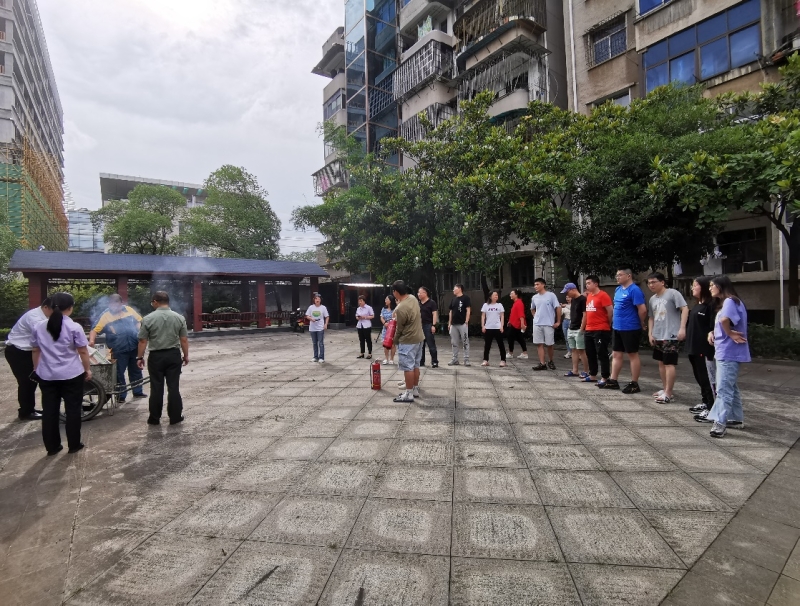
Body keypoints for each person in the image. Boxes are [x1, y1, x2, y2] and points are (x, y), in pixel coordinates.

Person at [30, 292, 92, 455]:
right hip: (72, 375)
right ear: (70, 308)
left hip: (47, 375)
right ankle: (74, 445)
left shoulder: (38, 326)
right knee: (73, 410)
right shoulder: (74, 327)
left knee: (49, 411)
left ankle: (52, 447)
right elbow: (83, 352)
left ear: (50, 307)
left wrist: (36, 369)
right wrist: (87, 369)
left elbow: (35, 350)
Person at [696, 275, 751, 438]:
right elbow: (724, 322)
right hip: (726, 351)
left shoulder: (730, 301)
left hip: (729, 352)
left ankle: (720, 423)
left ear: (720, 286)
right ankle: (735, 418)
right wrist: (713, 333)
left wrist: (729, 333)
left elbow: (725, 320)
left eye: (712, 285)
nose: (710, 288)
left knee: (723, 389)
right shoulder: (729, 302)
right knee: (730, 386)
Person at [136, 291, 189, 425]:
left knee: (156, 387)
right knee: (173, 387)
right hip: (173, 355)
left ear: (155, 302)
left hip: (156, 357)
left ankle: (154, 418)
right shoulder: (179, 318)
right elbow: (183, 339)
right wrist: (186, 355)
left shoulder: (147, 319)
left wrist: (139, 357)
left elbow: (142, 341)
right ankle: (175, 417)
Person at [89, 294, 146, 403]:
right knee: (119, 373)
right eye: (112, 305)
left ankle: (138, 391)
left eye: (116, 305)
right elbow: (94, 330)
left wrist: (138, 330)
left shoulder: (129, 310)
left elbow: (140, 321)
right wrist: (91, 341)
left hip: (134, 346)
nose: (114, 307)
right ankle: (121, 396)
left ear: (121, 303)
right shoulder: (105, 315)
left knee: (136, 370)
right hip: (118, 349)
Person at [4, 298, 52, 420]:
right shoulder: (35, 318)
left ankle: (30, 409)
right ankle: (25, 412)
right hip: (18, 352)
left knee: (32, 382)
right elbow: (44, 339)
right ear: (46, 307)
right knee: (26, 382)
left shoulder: (42, 315)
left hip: (26, 351)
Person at [601, 268, 647, 393]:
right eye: (616, 275)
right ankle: (613, 380)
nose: (617, 277)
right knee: (616, 354)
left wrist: (641, 322)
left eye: (620, 275)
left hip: (630, 327)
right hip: (617, 327)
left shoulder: (634, 290)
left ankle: (634, 383)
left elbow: (642, 309)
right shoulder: (618, 289)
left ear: (628, 276)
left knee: (632, 354)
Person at [646, 272, 688, 403]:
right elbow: (651, 317)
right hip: (658, 334)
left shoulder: (673, 293)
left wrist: (682, 328)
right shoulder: (652, 299)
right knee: (661, 363)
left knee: (669, 363)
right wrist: (650, 333)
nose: (651, 285)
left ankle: (669, 393)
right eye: (649, 283)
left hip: (671, 334)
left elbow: (685, 309)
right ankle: (665, 389)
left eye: (654, 282)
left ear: (662, 282)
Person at [686, 276, 716, 416]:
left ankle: (711, 407)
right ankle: (705, 401)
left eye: (695, 285)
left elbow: (712, 328)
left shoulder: (710, 306)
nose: (692, 288)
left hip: (704, 348)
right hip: (693, 347)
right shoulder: (697, 305)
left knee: (706, 378)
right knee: (699, 377)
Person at [391, 281, 425, 403]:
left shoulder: (401, 308)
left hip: (408, 340)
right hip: (419, 338)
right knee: (415, 365)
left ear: (396, 292)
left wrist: (394, 341)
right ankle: (414, 389)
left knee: (408, 367)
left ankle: (408, 394)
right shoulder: (413, 298)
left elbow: (399, 328)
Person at [584, 275, 613, 385]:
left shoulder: (603, 295)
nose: (587, 285)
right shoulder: (589, 296)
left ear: (596, 284)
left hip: (601, 329)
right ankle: (592, 375)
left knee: (602, 353)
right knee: (590, 353)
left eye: (589, 283)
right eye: (586, 283)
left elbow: (610, 311)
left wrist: (607, 323)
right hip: (589, 329)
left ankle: (605, 377)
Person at [530, 278, 561, 371]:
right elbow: (532, 308)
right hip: (537, 323)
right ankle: (542, 363)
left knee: (549, 344)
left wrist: (558, 321)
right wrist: (535, 317)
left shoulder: (551, 295)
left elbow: (558, 307)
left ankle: (550, 361)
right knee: (539, 344)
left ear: (543, 285)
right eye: (535, 285)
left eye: (537, 284)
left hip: (548, 323)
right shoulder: (534, 297)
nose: (535, 286)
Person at [561, 283, 589, 379]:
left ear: (573, 290)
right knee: (573, 350)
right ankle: (575, 370)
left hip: (579, 329)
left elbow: (585, 315)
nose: (567, 295)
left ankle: (586, 371)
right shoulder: (573, 300)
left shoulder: (582, 299)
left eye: (567, 292)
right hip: (571, 327)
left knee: (581, 350)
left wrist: (582, 328)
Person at [481, 289, 506, 367]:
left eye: (497, 295)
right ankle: (485, 360)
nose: (496, 296)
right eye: (494, 295)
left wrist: (501, 326)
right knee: (487, 345)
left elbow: (502, 316)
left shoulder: (499, 305)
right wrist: (483, 326)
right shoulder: (485, 305)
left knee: (501, 345)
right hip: (488, 327)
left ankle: (503, 360)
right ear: (490, 297)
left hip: (497, 328)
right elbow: (483, 316)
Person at [448, 284, 471, 366]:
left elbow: (468, 310)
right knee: (454, 342)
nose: (453, 290)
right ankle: (455, 359)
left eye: (454, 289)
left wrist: (466, 321)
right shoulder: (453, 299)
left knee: (465, 341)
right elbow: (451, 312)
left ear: (459, 289)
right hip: (454, 324)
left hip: (462, 324)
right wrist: (449, 323)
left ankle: (466, 359)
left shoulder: (466, 298)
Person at [305, 293, 330, 363]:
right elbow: (307, 315)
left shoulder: (323, 308)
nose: (317, 300)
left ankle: (321, 357)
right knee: (314, 343)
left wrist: (326, 324)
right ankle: (315, 357)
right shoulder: (311, 307)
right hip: (312, 328)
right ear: (314, 300)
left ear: (320, 300)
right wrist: (311, 318)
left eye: (319, 299)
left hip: (320, 328)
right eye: (316, 299)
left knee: (321, 343)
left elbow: (327, 316)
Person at [418, 286, 439, 368]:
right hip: (420, 326)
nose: (418, 294)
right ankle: (421, 361)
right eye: (418, 293)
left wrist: (433, 325)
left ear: (425, 293)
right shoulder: (418, 303)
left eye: (420, 292)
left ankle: (434, 361)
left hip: (428, 325)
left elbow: (435, 314)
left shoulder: (431, 303)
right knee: (421, 345)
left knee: (431, 344)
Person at [506, 289, 528, 359]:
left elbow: (521, 314)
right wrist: (510, 321)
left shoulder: (519, 303)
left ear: (516, 295)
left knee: (510, 336)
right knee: (519, 338)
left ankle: (510, 353)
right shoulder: (516, 302)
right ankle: (524, 353)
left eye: (512, 293)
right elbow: (514, 314)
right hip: (514, 323)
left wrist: (522, 324)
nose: (510, 295)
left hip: (517, 324)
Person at [379, 295, 397, 365]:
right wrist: (384, 323)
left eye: (387, 299)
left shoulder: (395, 309)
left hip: (392, 329)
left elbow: (396, 318)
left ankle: (391, 359)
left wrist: (391, 324)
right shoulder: (384, 309)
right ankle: (386, 358)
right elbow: (381, 317)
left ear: (390, 300)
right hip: (385, 328)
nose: (385, 301)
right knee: (385, 343)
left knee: (392, 344)